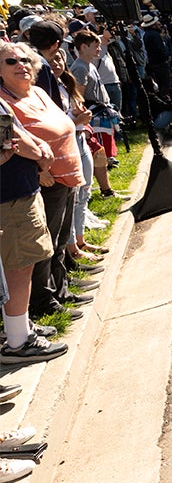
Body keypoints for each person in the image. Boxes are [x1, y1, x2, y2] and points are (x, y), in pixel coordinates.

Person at [0, 81, 68, 362]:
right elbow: (11, 141)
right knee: (19, 267)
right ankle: (18, 342)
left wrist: (36, 147)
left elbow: (15, 132)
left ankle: (19, 327)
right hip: (10, 197)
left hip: (18, 192)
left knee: (20, 266)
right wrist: (40, 154)